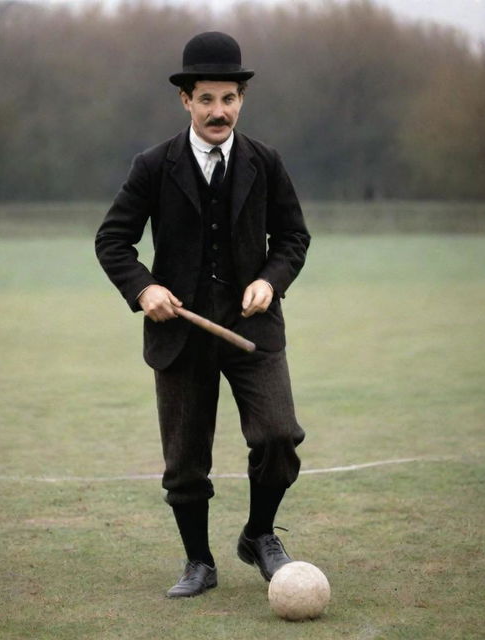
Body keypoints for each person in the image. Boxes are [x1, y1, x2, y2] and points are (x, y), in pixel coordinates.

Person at [95, 31, 310, 598]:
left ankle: (259, 534)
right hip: (180, 335)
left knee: (279, 436)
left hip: (252, 331)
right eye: (207, 99)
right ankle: (199, 563)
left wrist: (270, 279)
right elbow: (113, 241)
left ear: (242, 99)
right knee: (186, 462)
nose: (220, 111)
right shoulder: (152, 165)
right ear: (185, 100)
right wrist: (144, 291)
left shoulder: (266, 162)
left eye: (230, 99)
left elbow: (292, 237)